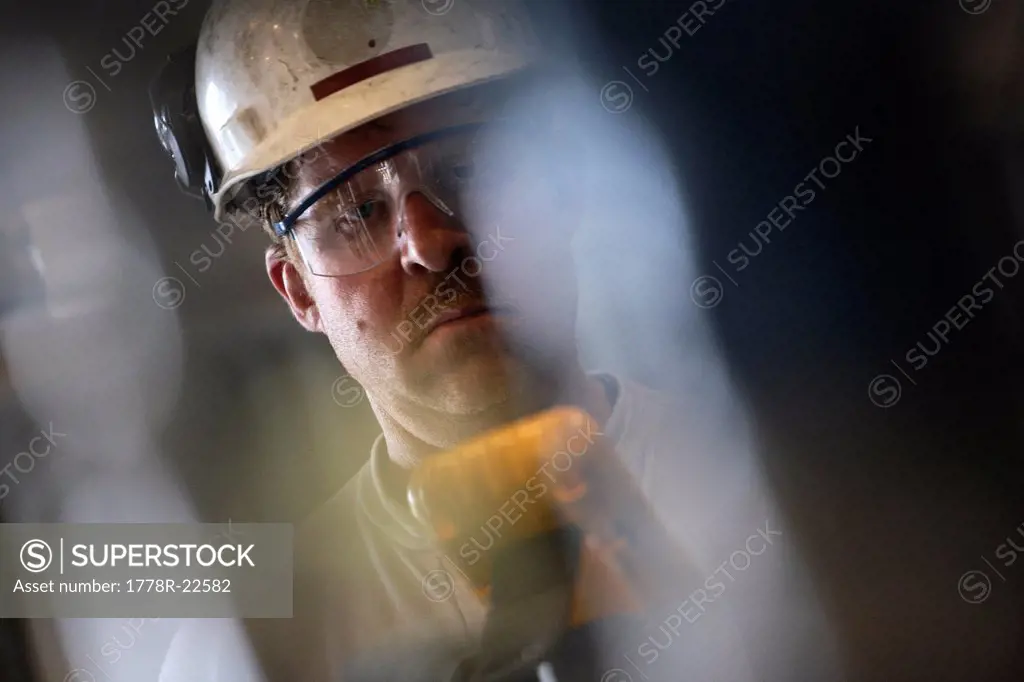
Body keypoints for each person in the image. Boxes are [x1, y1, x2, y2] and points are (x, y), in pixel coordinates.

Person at [152, 0, 836, 680]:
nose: (428, 242)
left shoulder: (772, 479)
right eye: (356, 211)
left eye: (466, 170)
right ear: (298, 291)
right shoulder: (262, 635)